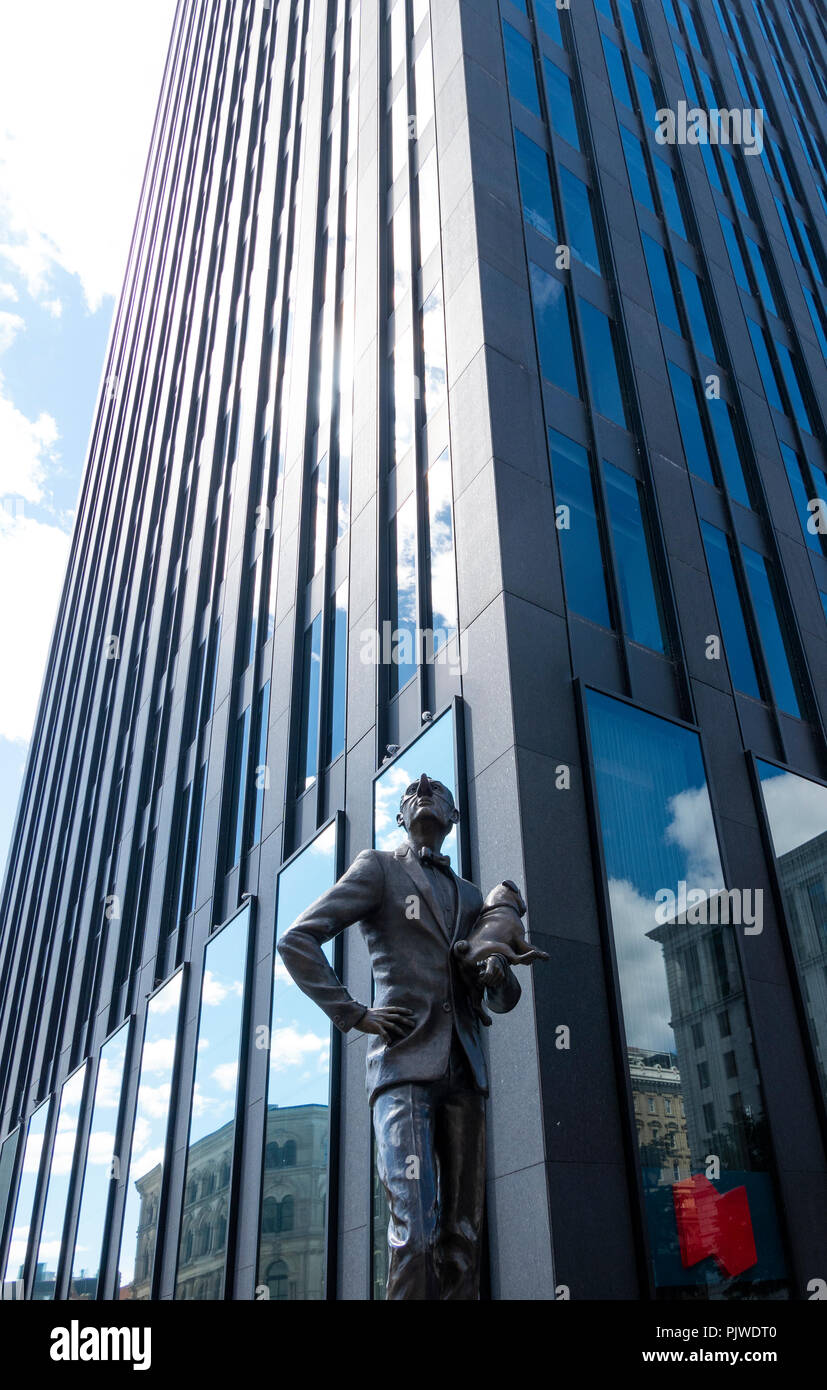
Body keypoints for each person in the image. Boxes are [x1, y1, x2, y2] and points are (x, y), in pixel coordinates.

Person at [277, 772, 521, 1299]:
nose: (425, 793)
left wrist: (497, 974)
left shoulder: (475, 897)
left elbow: (503, 998)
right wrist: (352, 1013)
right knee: (414, 1225)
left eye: (437, 793)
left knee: (464, 1235)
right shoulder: (379, 869)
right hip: (403, 1064)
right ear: (400, 817)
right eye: (413, 793)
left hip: (465, 1068)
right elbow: (297, 939)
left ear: (453, 819)